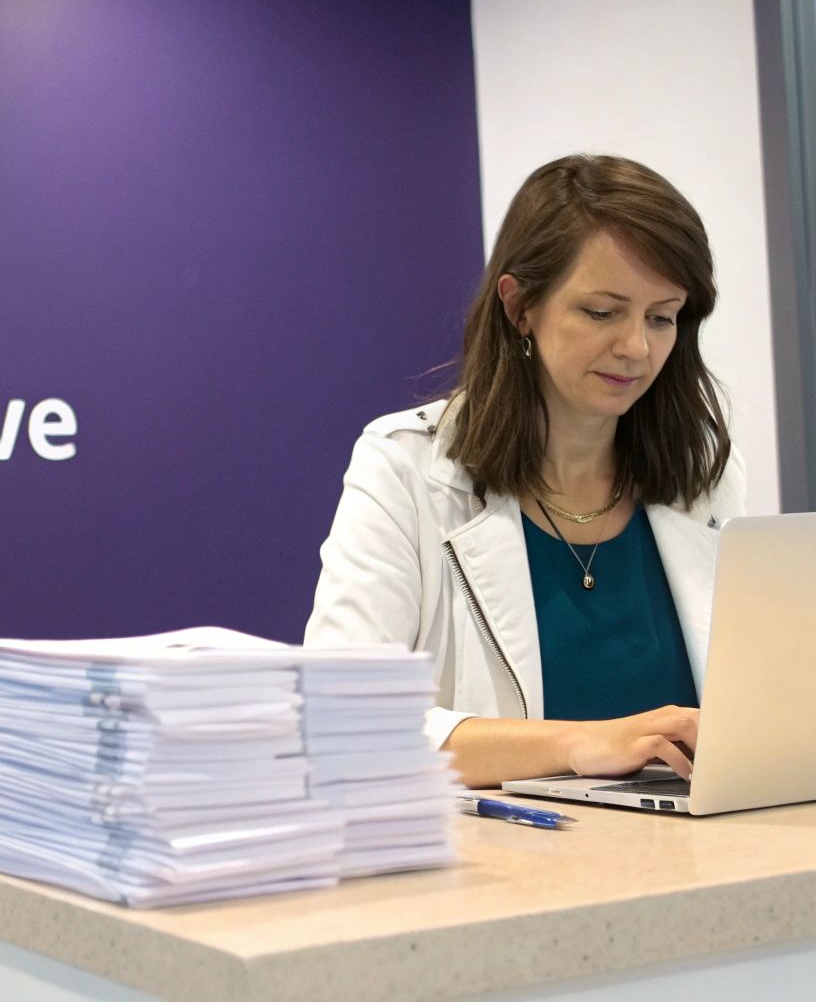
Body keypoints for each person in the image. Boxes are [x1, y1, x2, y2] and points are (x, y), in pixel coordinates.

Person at [304, 154, 745, 790]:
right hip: (511, 870)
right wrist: (583, 743)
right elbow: (339, 719)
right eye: (602, 312)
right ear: (520, 308)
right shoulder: (404, 466)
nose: (637, 348)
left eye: (661, 316)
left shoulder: (707, 476)